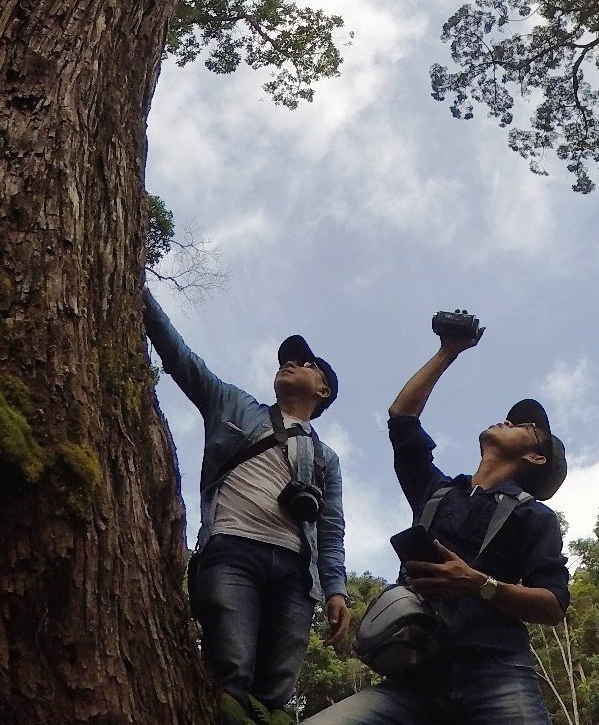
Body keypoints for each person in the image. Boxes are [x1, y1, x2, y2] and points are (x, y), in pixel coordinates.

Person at [308, 314, 570, 725]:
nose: (509, 420)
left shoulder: (535, 517)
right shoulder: (438, 492)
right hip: (413, 678)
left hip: (497, 672)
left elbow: (553, 605)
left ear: (535, 457)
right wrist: (449, 350)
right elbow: (402, 419)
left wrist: (480, 585)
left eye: (525, 427)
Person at [144, 291, 350, 713]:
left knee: (273, 696)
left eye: (305, 363)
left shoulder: (326, 458)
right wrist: (141, 295)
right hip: (232, 552)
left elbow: (331, 531)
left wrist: (336, 591)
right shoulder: (235, 405)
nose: (289, 363)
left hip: (296, 574)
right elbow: (183, 360)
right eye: (286, 360)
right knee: (230, 673)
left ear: (323, 390)